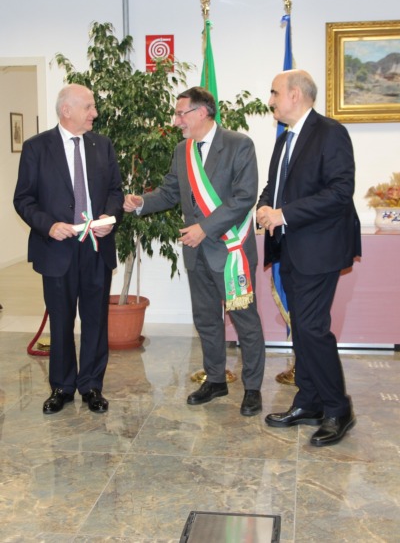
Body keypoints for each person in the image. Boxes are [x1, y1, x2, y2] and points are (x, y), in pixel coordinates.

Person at [123, 86, 265, 416]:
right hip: (196, 253)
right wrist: (142, 202)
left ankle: (253, 388)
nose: (176, 121)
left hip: (230, 251)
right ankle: (215, 380)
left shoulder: (239, 144)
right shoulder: (182, 150)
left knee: (245, 321)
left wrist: (205, 228)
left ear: (201, 112)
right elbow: (170, 192)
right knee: (205, 320)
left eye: (180, 114)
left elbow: (245, 198)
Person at [256, 69, 361, 447]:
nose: (270, 100)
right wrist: (263, 207)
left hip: (320, 248)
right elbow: (275, 187)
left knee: (313, 329)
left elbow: (340, 191)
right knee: (301, 328)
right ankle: (309, 401)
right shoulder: (285, 138)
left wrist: (283, 214)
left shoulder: (330, 132)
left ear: (295, 95)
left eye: (274, 93)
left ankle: (338, 408)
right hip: (290, 249)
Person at [14, 83, 124, 414]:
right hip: (56, 249)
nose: (95, 113)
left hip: (96, 247)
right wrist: (48, 225)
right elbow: (24, 199)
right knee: (61, 321)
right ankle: (62, 387)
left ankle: (91, 385)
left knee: (95, 320)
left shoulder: (102, 145)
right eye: (89, 107)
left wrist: (109, 216)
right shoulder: (36, 148)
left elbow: (116, 191)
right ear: (67, 110)